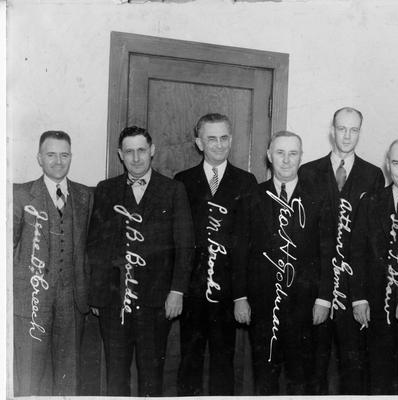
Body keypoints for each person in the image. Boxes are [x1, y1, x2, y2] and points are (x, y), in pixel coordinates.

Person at [87, 126, 194, 396]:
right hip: (114, 302)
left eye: (142, 151)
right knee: (116, 374)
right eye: (130, 152)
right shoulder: (106, 190)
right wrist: (98, 295)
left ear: (152, 151)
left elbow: (184, 245)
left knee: (151, 375)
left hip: (156, 302)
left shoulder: (172, 189)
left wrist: (177, 291)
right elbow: (97, 245)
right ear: (120, 155)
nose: (136, 158)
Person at [232, 131, 333, 395]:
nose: (286, 160)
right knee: (264, 376)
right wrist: (240, 296)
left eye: (293, 153)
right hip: (263, 305)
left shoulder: (318, 197)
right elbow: (241, 251)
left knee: (301, 377)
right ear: (269, 156)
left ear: (301, 157)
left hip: (306, 305)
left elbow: (327, 251)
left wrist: (324, 298)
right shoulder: (252, 196)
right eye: (280, 153)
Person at [298, 107, 384, 394]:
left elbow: (371, 240)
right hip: (317, 289)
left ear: (360, 131)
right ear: (332, 130)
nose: (347, 136)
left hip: (353, 288)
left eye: (354, 130)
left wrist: (361, 295)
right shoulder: (308, 172)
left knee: (353, 368)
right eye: (342, 128)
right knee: (314, 367)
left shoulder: (372, 175)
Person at [174, 113, 257, 396]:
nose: (219, 144)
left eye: (224, 138)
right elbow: (179, 241)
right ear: (199, 142)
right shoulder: (182, 181)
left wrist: (240, 295)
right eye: (211, 138)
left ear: (231, 140)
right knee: (189, 361)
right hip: (193, 291)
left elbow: (247, 243)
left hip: (228, 292)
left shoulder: (246, 182)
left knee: (224, 363)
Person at [12, 130, 93, 396]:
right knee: (29, 373)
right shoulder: (20, 194)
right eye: (51, 155)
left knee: (68, 374)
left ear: (70, 157)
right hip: (32, 299)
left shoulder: (85, 196)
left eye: (64, 155)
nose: (58, 161)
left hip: (72, 299)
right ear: (39, 158)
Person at [350, 139, 398, 394]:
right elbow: (356, 252)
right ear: (387, 165)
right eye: (396, 163)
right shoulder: (370, 201)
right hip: (375, 306)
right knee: (378, 379)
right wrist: (358, 298)